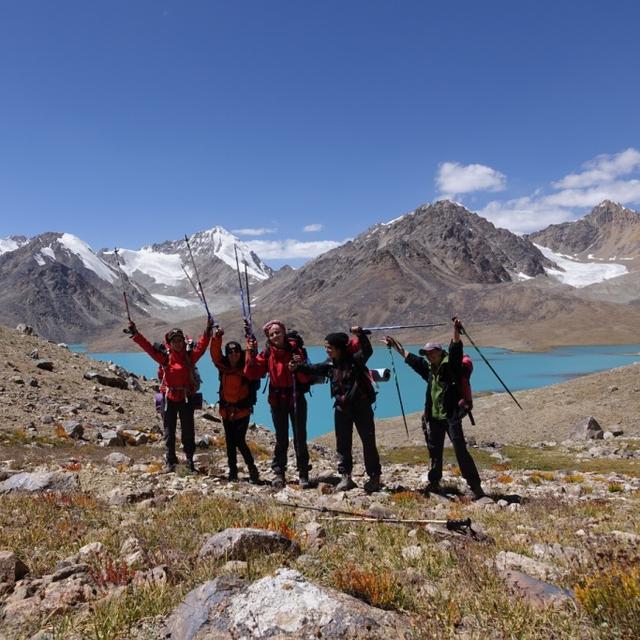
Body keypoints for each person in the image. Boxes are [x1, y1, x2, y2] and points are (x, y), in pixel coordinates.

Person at [384, 317, 485, 499]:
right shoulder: (430, 369)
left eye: (432, 353)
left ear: (439, 352)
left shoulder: (451, 366)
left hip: (451, 417)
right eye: (427, 353)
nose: (429, 356)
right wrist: (395, 346)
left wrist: (456, 330)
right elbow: (412, 359)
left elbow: (455, 349)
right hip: (435, 418)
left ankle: (475, 487)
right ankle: (434, 482)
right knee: (434, 450)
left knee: (460, 450)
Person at [290, 327, 382, 493]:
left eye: (329, 347)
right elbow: (314, 369)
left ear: (339, 348)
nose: (326, 350)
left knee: (368, 443)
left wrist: (360, 335)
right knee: (343, 444)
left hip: (361, 408)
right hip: (341, 409)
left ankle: (374, 477)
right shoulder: (330, 364)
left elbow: (368, 350)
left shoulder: (356, 360)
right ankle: (345, 476)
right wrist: (298, 367)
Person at [127, 318, 212, 472]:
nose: (178, 343)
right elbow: (148, 348)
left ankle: (190, 461)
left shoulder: (189, 357)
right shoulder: (164, 358)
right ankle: (170, 461)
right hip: (169, 399)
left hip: (185, 398)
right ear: (170, 343)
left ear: (183, 341)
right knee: (169, 432)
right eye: (175, 341)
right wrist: (136, 334)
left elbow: (202, 346)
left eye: (180, 340)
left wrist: (208, 331)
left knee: (188, 431)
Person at [244, 320, 312, 489]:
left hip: (296, 398)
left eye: (277, 332)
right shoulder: (267, 353)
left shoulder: (297, 351)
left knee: (300, 437)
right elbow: (252, 372)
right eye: (272, 334)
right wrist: (250, 353)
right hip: (277, 400)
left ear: (284, 332)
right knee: (281, 438)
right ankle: (279, 472)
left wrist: (298, 367)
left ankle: (303, 473)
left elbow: (306, 378)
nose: (275, 336)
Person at [210, 326, 260, 483]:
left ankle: (252, 468)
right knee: (230, 443)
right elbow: (214, 354)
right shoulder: (222, 367)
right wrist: (217, 337)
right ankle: (232, 471)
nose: (233, 354)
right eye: (230, 352)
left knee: (239, 440)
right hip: (226, 411)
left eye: (237, 351)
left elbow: (252, 354)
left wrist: (249, 336)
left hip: (242, 412)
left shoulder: (246, 368)